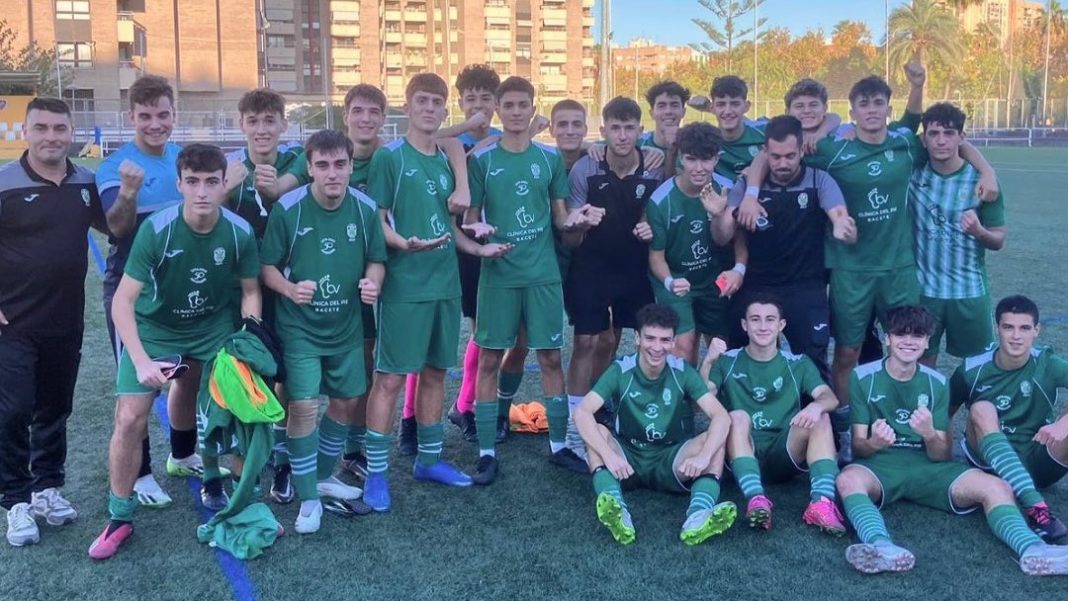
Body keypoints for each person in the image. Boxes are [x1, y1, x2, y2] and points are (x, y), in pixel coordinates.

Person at [89, 144, 261, 560]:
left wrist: (249, 338)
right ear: (179, 184)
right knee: (130, 417)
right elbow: (123, 302)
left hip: (211, 326)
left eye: (211, 182)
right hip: (155, 328)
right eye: (193, 182)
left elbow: (250, 291)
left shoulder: (239, 231)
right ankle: (119, 516)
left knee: (235, 407)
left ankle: (239, 500)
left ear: (224, 184)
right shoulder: (157, 229)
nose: (202, 192)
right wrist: (141, 360)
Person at [362, 74, 506, 510]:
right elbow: (377, 223)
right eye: (421, 100)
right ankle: (375, 473)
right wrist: (403, 244)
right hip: (405, 286)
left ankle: (428, 459)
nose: (429, 108)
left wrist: (478, 248)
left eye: (436, 102)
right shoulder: (390, 157)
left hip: (445, 283)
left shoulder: (446, 158)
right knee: (389, 378)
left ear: (445, 110)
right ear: (407, 107)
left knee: (435, 373)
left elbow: (449, 229)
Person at [836, 305, 1068, 575]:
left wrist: (928, 433)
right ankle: (881, 547)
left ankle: (1033, 548)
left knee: (997, 486)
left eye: (917, 335)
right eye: (900, 334)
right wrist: (875, 442)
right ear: (888, 338)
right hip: (881, 466)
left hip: (929, 468)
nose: (909, 342)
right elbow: (859, 447)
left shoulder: (936, 382)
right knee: (847, 479)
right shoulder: (862, 377)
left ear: (927, 342)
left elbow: (942, 455)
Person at [464, 75, 600, 484]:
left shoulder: (549, 159)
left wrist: (576, 219)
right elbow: (471, 217)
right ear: (498, 110)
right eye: (508, 105)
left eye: (523, 105)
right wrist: (479, 230)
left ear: (533, 109)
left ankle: (558, 446)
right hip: (498, 274)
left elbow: (559, 217)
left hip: (542, 275)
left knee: (550, 358)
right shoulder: (482, 161)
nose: (516, 112)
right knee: (491, 358)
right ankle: (486, 452)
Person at [260, 129, 385, 532]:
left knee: (347, 402)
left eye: (340, 164)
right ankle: (309, 500)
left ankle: (323, 475)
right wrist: (289, 289)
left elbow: (377, 259)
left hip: (346, 327)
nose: (333, 173)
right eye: (323, 165)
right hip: (300, 329)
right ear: (310, 168)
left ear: (350, 166)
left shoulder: (365, 209)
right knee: (303, 407)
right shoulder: (288, 209)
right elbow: (267, 266)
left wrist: (373, 282)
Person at [0, 97, 105, 546]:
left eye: (60, 128)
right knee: (14, 410)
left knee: (55, 408)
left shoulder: (85, 182)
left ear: (71, 133)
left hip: (66, 319)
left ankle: (46, 488)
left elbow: (117, 227)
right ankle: (15, 500)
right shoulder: (4, 183)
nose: (51, 137)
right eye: (41, 128)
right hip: (13, 322)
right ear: (26, 132)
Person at [95, 75, 189, 509]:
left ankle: (183, 455)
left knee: (185, 376)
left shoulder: (182, 159)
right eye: (145, 116)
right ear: (131, 116)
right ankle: (141, 474)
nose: (155, 124)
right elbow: (117, 227)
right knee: (137, 389)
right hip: (131, 293)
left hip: (179, 289)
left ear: (174, 115)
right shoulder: (115, 166)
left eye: (163, 115)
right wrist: (130, 192)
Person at [573, 303, 736, 546]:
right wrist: (609, 456)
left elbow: (721, 416)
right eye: (650, 338)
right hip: (627, 459)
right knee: (597, 432)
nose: (657, 347)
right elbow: (582, 412)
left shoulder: (682, 371)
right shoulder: (621, 370)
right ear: (637, 338)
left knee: (715, 439)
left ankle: (698, 515)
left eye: (664, 340)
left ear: (673, 342)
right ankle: (616, 508)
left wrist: (704, 458)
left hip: (673, 459)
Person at [562, 96, 662, 464]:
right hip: (591, 267)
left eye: (629, 128)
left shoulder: (655, 167)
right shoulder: (585, 168)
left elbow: (659, 213)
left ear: (640, 130)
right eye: (615, 128)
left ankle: (622, 411)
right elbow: (570, 236)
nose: (622, 135)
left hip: (635, 269)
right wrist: (580, 223)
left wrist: (651, 226)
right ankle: (575, 429)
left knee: (632, 340)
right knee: (585, 341)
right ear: (603, 131)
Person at [722, 115, 855, 380]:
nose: (783, 163)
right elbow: (721, 236)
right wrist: (725, 213)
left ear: (802, 149)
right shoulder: (747, 185)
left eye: (790, 156)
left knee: (813, 364)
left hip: (805, 287)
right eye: (776, 157)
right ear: (765, 153)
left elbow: (839, 214)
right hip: (756, 285)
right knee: (741, 360)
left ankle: (817, 407)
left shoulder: (819, 180)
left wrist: (842, 225)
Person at [703, 295, 845, 535]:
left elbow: (829, 397)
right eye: (755, 319)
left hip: (783, 452)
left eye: (770, 319)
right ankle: (756, 499)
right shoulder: (727, 361)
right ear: (744, 325)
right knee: (737, 416)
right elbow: (703, 399)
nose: (763, 326)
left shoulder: (798, 363)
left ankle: (821, 503)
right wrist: (707, 361)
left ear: (781, 325)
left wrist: (815, 406)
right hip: (740, 448)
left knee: (820, 416)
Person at [951, 295, 1068, 542]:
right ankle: (1037, 509)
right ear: (997, 329)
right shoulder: (971, 369)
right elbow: (944, 416)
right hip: (988, 464)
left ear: (1036, 330)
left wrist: (1063, 424)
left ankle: (1028, 493)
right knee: (982, 408)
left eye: (1024, 328)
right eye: (1008, 327)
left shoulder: (1047, 363)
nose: (1016, 336)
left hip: (1038, 459)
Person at [912, 103, 1006, 365]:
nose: (941, 141)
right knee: (920, 365)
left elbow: (998, 239)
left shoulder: (982, 182)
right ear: (924, 139)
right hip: (924, 293)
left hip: (969, 291)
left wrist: (979, 231)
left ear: (961, 137)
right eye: (934, 133)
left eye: (949, 133)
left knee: (978, 367)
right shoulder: (912, 174)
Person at [646, 122, 735, 365]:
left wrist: (719, 215)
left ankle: (712, 389)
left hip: (714, 279)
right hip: (676, 277)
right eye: (691, 159)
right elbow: (656, 257)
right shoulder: (660, 201)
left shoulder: (727, 189)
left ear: (717, 158)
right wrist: (670, 282)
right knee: (683, 347)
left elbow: (732, 241)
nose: (698, 168)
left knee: (720, 348)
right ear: (680, 159)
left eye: (706, 159)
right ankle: (684, 389)